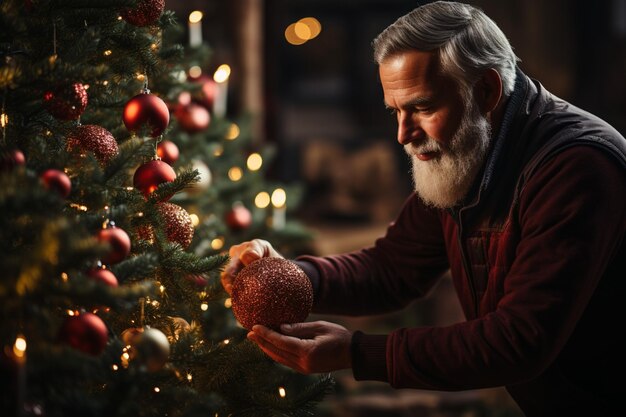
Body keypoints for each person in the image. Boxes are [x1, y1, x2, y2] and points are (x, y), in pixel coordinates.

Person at [221, 2, 626, 415]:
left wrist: (357, 353)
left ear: (486, 90)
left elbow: (518, 342)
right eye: (395, 111)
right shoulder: (469, 149)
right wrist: (285, 275)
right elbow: (392, 269)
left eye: (422, 107)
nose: (402, 134)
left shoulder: (577, 167)